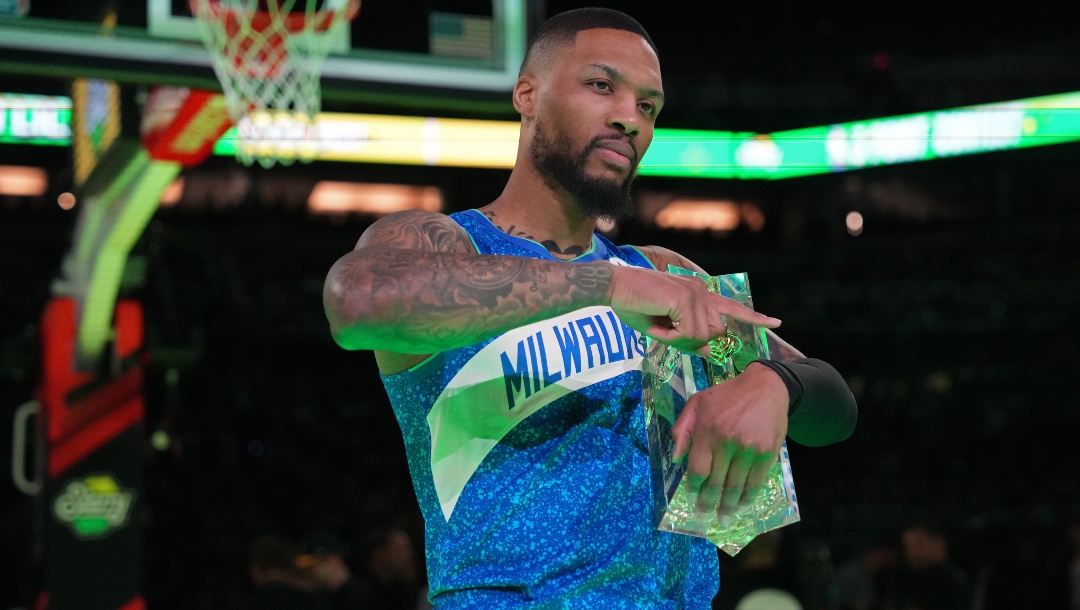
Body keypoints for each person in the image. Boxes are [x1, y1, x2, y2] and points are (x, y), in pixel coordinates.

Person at [323, 7, 857, 608]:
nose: (629, 118)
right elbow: (358, 300)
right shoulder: (448, 245)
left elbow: (834, 406)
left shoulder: (662, 272)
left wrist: (773, 384)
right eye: (602, 86)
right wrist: (606, 286)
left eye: (649, 106)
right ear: (527, 93)